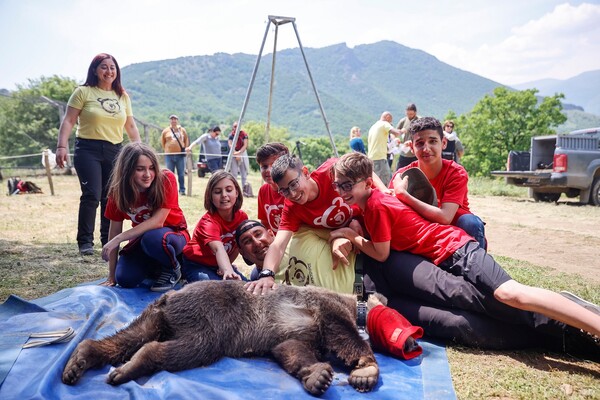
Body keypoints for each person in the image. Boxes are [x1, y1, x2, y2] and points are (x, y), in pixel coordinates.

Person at [329, 152, 600, 353]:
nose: (342, 192)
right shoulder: (370, 201)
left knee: (509, 294)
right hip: (443, 255)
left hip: (455, 248)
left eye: (347, 185)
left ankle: (586, 320)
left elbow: (381, 254)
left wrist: (352, 236)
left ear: (366, 183)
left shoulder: (375, 204)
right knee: (478, 303)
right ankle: (568, 334)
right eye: (338, 186)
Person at [236, 218, 599, 356]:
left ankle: (567, 316)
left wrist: (341, 240)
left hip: (380, 265)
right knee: (457, 326)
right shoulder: (268, 289)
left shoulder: (296, 234)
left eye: (258, 234)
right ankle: (562, 339)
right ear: (243, 254)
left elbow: (349, 223)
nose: (256, 242)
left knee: (461, 294)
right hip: (369, 302)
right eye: (247, 242)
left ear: (270, 232)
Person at [245, 154, 389, 295]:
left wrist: (384, 191)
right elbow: (278, 245)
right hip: (358, 249)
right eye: (284, 190)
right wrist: (266, 274)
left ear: (306, 172)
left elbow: (364, 170)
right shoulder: (292, 208)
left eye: (294, 184)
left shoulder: (330, 171)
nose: (293, 193)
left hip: (378, 229)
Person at [56, 53, 141, 256]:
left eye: (112, 67)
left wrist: (141, 150)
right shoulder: (83, 92)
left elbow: (130, 125)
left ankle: (108, 240)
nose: (109, 71)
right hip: (88, 149)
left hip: (115, 150)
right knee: (92, 195)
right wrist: (61, 146)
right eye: (104, 67)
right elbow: (68, 121)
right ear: (95, 70)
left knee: (111, 197)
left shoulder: (122, 96)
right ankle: (85, 242)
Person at [101, 142, 190, 292]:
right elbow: (114, 230)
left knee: (153, 238)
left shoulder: (166, 179)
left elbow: (158, 222)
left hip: (173, 235)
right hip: (142, 240)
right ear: (126, 170)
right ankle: (157, 266)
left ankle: (174, 267)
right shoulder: (117, 192)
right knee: (125, 278)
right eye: (140, 169)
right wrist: (112, 276)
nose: (148, 174)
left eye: (151, 168)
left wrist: (118, 240)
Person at [390, 117, 486, 248]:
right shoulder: (402, 176)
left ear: (444, 143)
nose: (426, 148)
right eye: (419, 143)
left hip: (455, 229)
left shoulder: (456, 172)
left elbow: (445, 217)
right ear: (411, 147)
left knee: (470, 222)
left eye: (433, 141)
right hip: (422, 231)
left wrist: (404, 195)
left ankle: (477, 262)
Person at [182, 170, 248, 282]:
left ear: (236, 193)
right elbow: (218, 248)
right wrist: (227, 270)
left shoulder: (242, 217)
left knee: (245, 286)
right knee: (216, 291)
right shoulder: (208, 222)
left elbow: (236, 246)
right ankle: (184, 278)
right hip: (196, 264)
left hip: (219, 264)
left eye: (229, 190)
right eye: (217, 192)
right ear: (210, 197)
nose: (224, 195)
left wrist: (228, 267)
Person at [256, 142, 289, 232]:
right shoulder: (263, 191)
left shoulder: (294, 190)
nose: (269, 170)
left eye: (274, 165)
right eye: (264, 166)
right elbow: (265, 222)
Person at [366, 111, 402, 186]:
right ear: (387, 117)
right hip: (380, 158)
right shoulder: (384, 124)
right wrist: (403, 131)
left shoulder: (374, 126)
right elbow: (396, 133)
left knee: (376, 184)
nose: (390, 124)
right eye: (390, 122)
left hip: (371, 158)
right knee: (386, 182)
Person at [161, 115, 189, 195]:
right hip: (169, 155)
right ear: (170, 121)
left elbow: (186, 140)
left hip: (180, 155)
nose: (173, 120)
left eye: (175, 119)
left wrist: (185, 149)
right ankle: (171, 190)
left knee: (181, 173)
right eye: (172, 119)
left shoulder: (182, 130)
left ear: (177, 120)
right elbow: (163, 142)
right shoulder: (166, 131)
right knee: (170, 174)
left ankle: (182, 190)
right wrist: (168, 149)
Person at [228, 121, 251, 195]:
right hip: (233, 153)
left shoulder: (244, 134)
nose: (236, 128)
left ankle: (244, 190)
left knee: (243, 174)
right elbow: (230, 145)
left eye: (237, 126)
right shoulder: (231, 135)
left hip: (242, 153)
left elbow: (245, 145)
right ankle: (234, 190)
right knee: (234, 173)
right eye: (234, 126)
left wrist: (239, 153)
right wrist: (236, 153)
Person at [395, 103, 420, 169]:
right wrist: (397, 137)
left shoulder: (420, 121)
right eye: (408, 114)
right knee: (399, 172)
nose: (409, 116)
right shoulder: (403, 121)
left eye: (411, 114)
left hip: (415, 153)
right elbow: (395, 133)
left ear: (415, 113)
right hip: (404, 151)